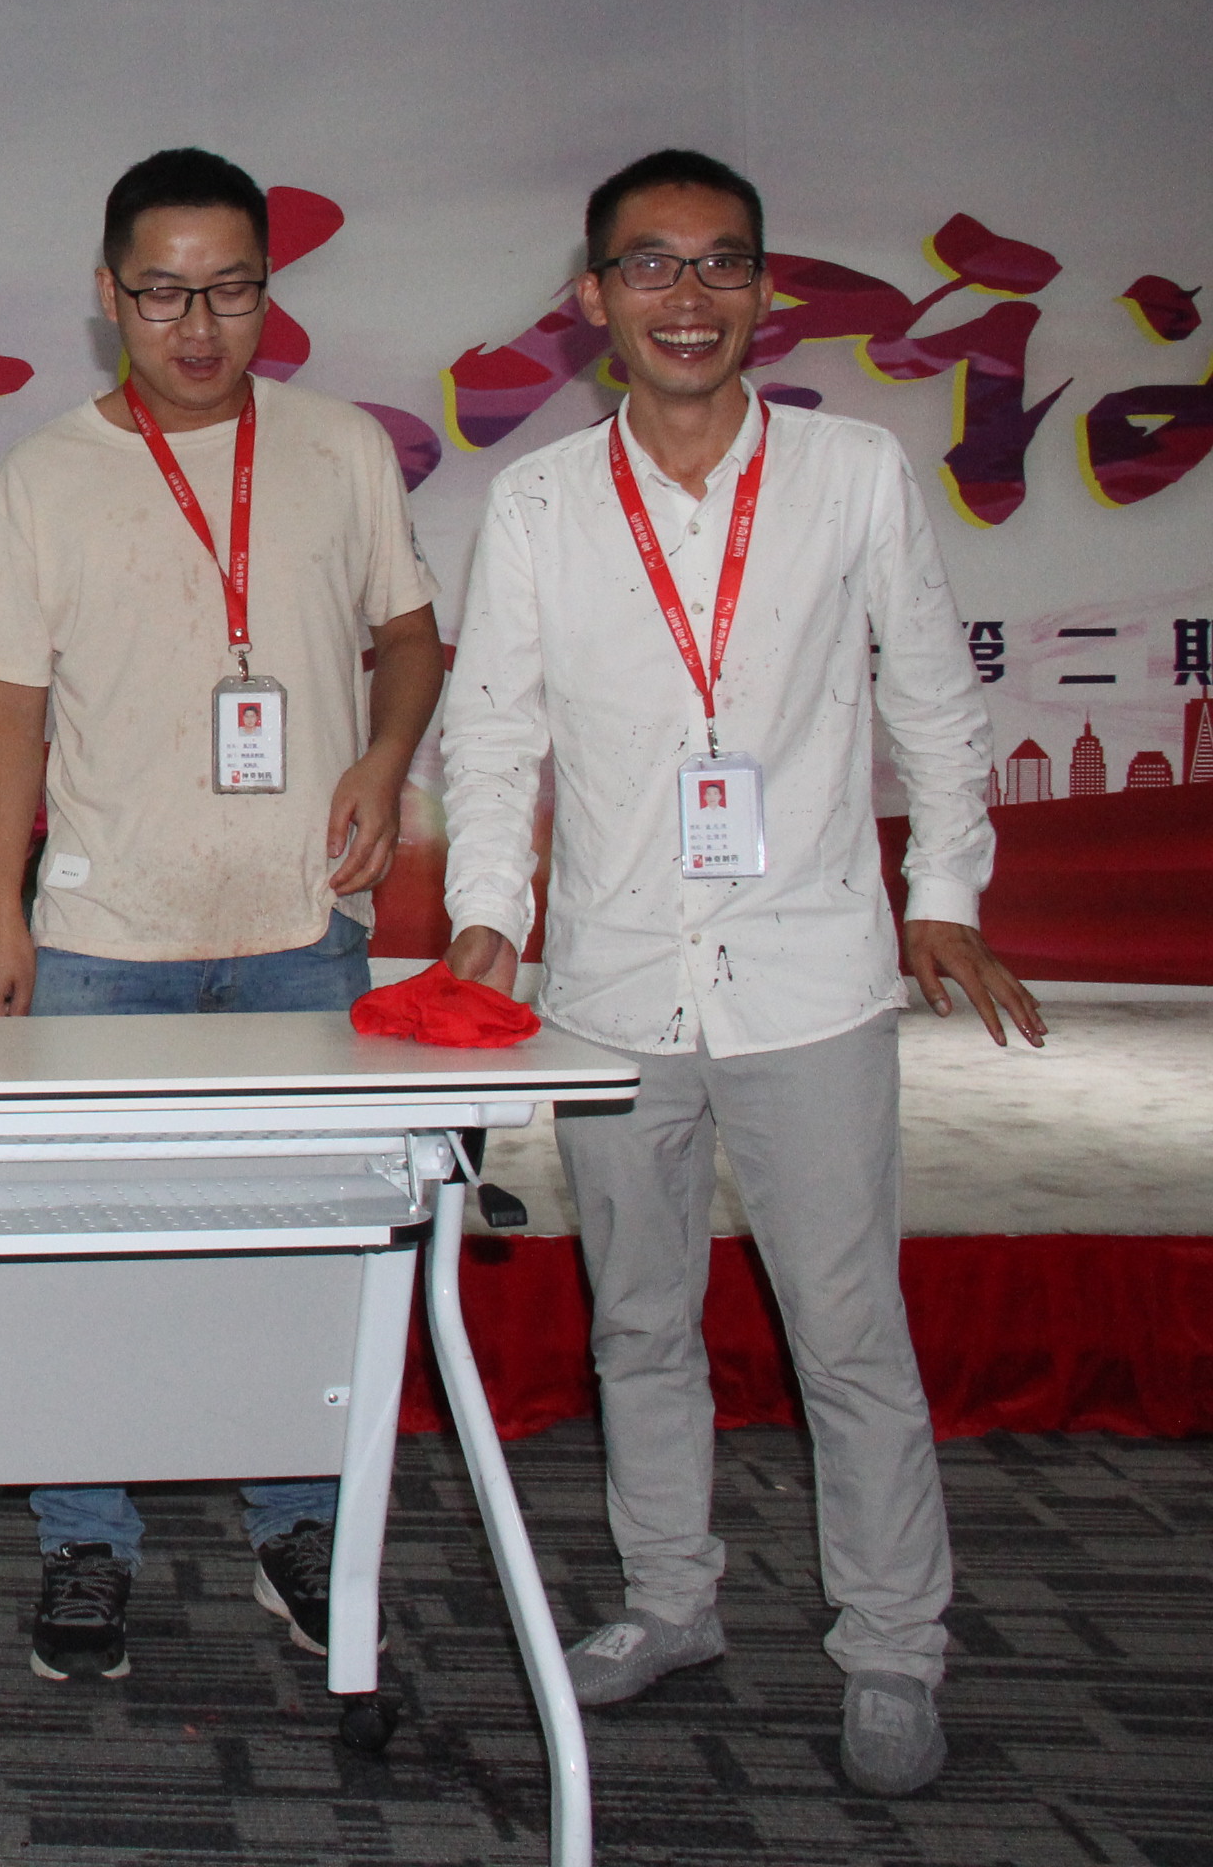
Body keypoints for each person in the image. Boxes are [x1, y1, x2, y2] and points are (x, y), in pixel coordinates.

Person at [439, 148, 1038, 1798]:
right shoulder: (541, 504)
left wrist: (945, 890)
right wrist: (490, 911)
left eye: (720, 264)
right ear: (594, 299)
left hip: (810, 972)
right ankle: (668, 1601)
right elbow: (491, 735)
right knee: (639, 1321)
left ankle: (893, 1643)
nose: (686, 296)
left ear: (767, 293)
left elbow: (935, 704)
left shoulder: (852, 474)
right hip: (615, 980)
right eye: (651, 264)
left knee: (849, 1333)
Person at [0, 147, 444, 1686]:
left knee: (303, 1256)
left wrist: (383, 755)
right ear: (107, 297)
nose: (198, 327)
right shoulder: (43, 476)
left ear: (267, 293)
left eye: (231, 292)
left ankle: (301, 1524)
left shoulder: (340, 447)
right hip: (107, 940)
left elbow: (411, 636)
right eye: (163, 294)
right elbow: (9, 711)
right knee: (89, 1263)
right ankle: (85, 1536)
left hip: (303, 927)